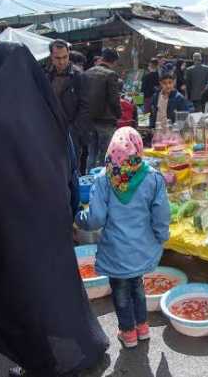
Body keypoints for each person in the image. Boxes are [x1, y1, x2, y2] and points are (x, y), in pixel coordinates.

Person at [0, 42, 109, 377]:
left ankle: (44, 364)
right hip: (52, 223)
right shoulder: (48, 116)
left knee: (26, 297)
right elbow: (68, 169)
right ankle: (82, 349)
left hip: (12, 231)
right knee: (60, 288)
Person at [76, 127, 170, 348]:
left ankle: (128, 333)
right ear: (138, 148)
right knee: (137, 286)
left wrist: (78, 217)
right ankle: (143, 328)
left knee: (120, 291)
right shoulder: (152, 177)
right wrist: (161, 236)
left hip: (115, 252)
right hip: (140, 250)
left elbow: (95, 218)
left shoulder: (103, 178)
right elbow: (161, 214)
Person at [45, 39, 90, 174]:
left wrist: (75, 130)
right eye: (58, 58)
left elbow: (85, 106)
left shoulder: (78, 76)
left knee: (72, 169)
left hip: (71, 131)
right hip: (51, 131)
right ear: (51, 57)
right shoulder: (46, 76)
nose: (62, 61)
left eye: (65, 57)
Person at [85, 47, 122, 169]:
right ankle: (102, 182)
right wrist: (119, 114)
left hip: (89, 120)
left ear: (102, 58)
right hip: (106, 121)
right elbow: (114, 100)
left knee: (91, 153)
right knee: (105, 155)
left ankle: (90, 180)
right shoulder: (111, 75)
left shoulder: (87, 72)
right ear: (114, 61)